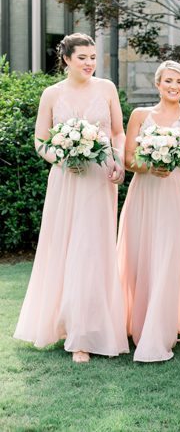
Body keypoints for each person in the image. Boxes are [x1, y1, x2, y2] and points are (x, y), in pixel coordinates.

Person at [14, 33, 129, 363]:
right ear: (66, 59)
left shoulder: (106, 89)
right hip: (66, 179)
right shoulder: (52, 94)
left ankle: (89, 331)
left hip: (99, 178)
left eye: (93, 57)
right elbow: (40, 141)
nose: (90, 63)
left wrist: (119, 160)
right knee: (67, 247)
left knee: (93, 249)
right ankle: (69, 328)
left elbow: (118, 131)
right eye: (83, 58)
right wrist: (61, 158)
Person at [117, 61, 180, 362]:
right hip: (144, 192)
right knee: (141, 256)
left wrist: (179, 161)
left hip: (176, 193)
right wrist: (152, 165)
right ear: (158, 84)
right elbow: (128, 159)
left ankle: (161, 329)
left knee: (169, 257)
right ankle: (137, 324)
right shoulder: (141, 115)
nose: (174, 86)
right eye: (168, 81)